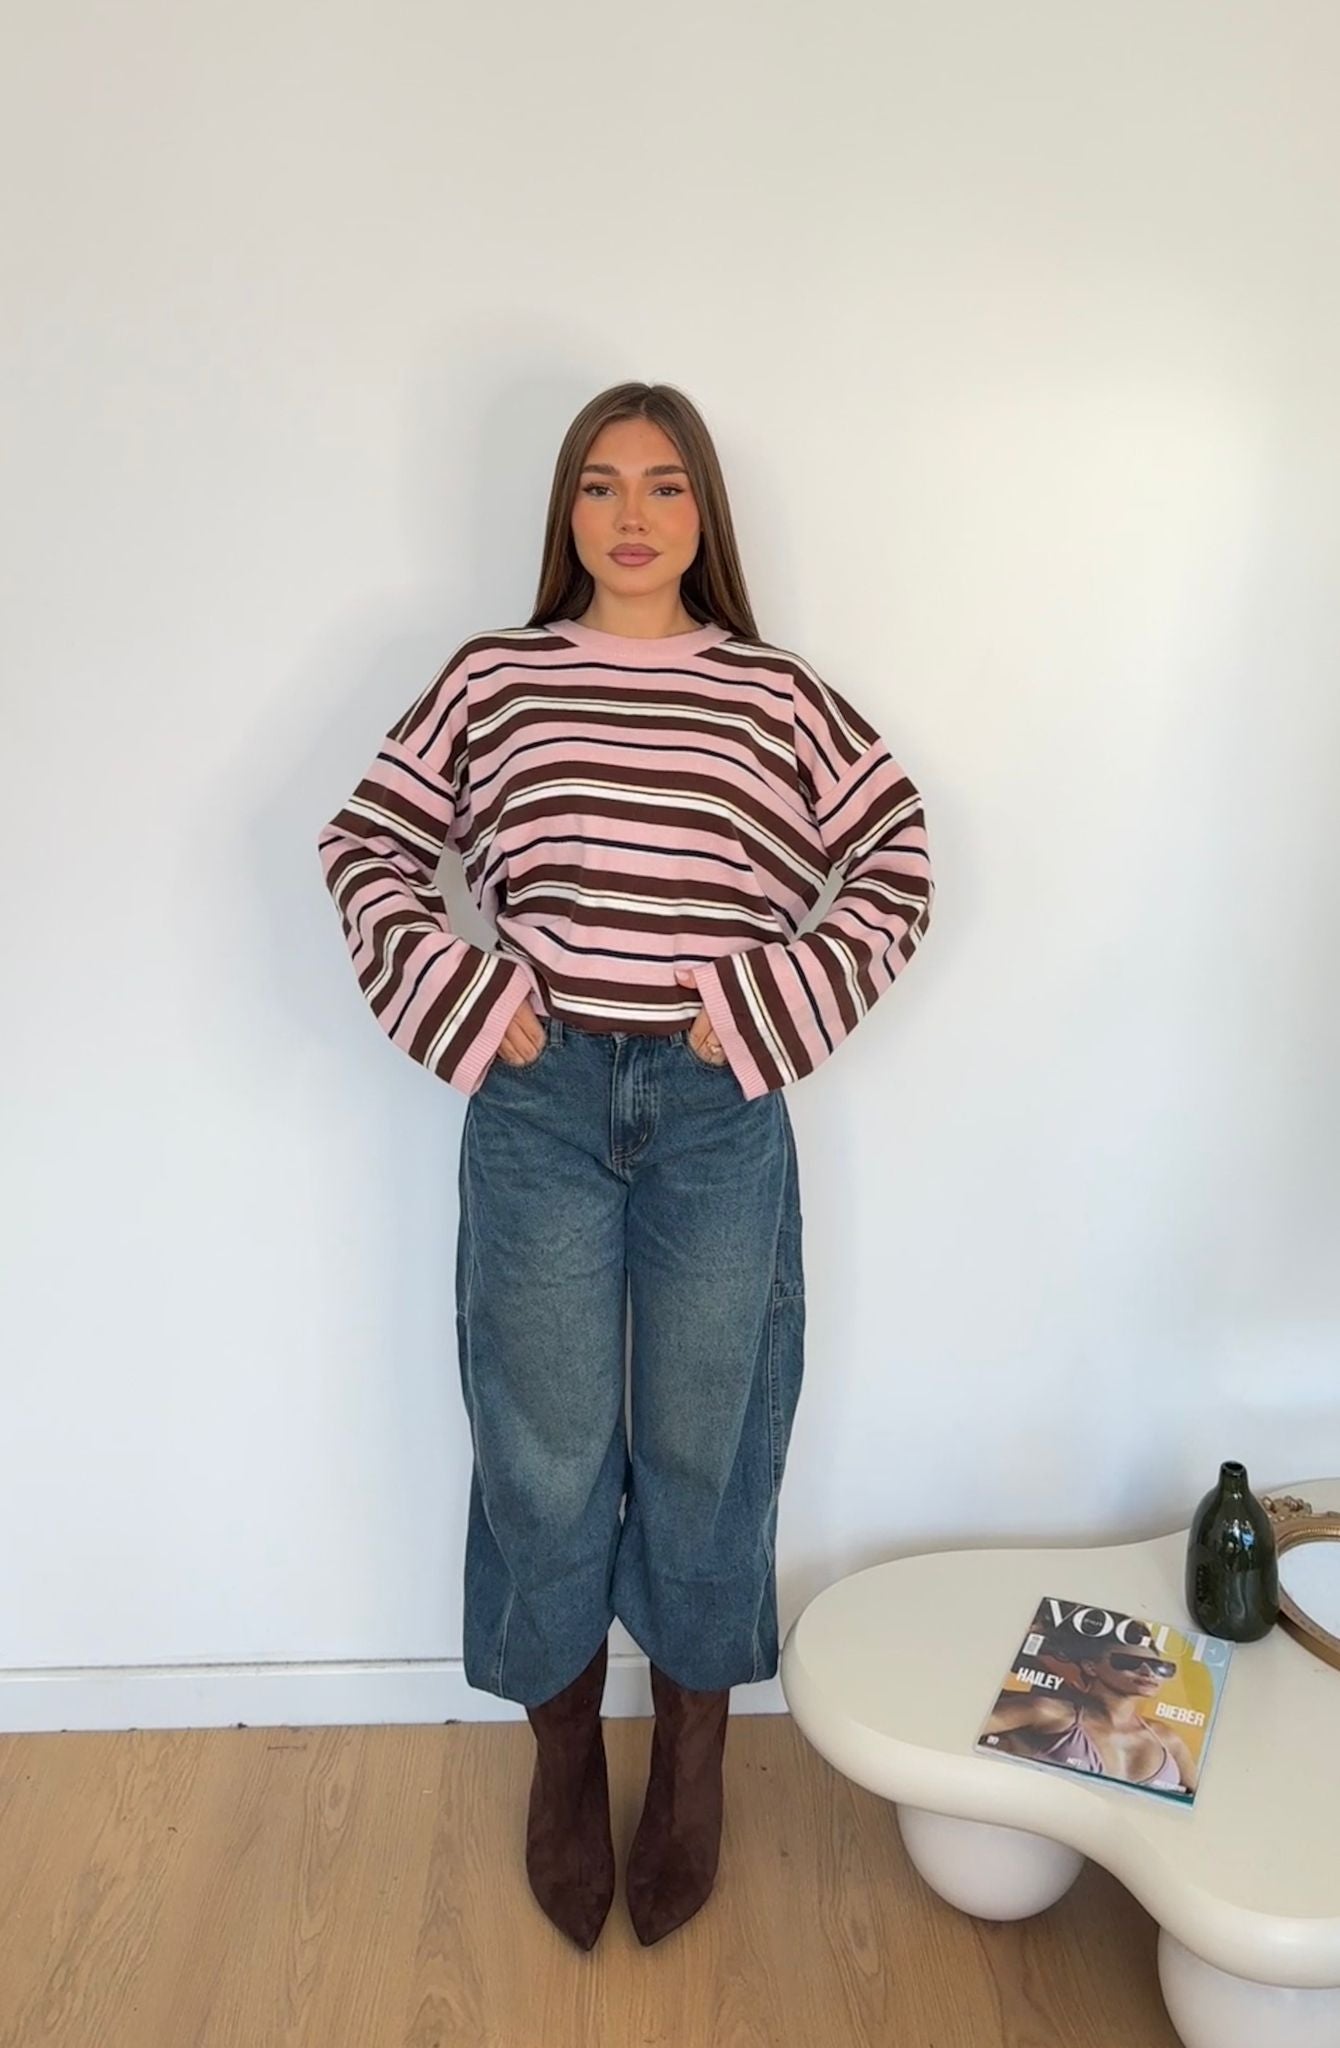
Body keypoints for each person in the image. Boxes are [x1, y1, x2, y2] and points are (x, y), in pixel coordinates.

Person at [316, 381, 935, 1950]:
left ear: (704, 510)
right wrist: (473, 998)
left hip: (717, 1105)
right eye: (600, 485)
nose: (633, 515)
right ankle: (566, 1748)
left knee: (709, 1434)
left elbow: (896, 856)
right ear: (567, 512)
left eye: (664, 484)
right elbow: (366, 845)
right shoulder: (497, 678)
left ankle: (697, 1752)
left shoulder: (772, 695)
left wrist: (763, 1007)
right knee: (542, 1444)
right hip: (539, 1103)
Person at [981, 1636, 1199, 1795]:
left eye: (1159, 1667)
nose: (1147, 1672)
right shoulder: (1046, 1712)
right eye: (1128, 1662)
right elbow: (965, 1725)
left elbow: (1199, 1809)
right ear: (1090, 1666)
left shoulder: (1168, 1738)